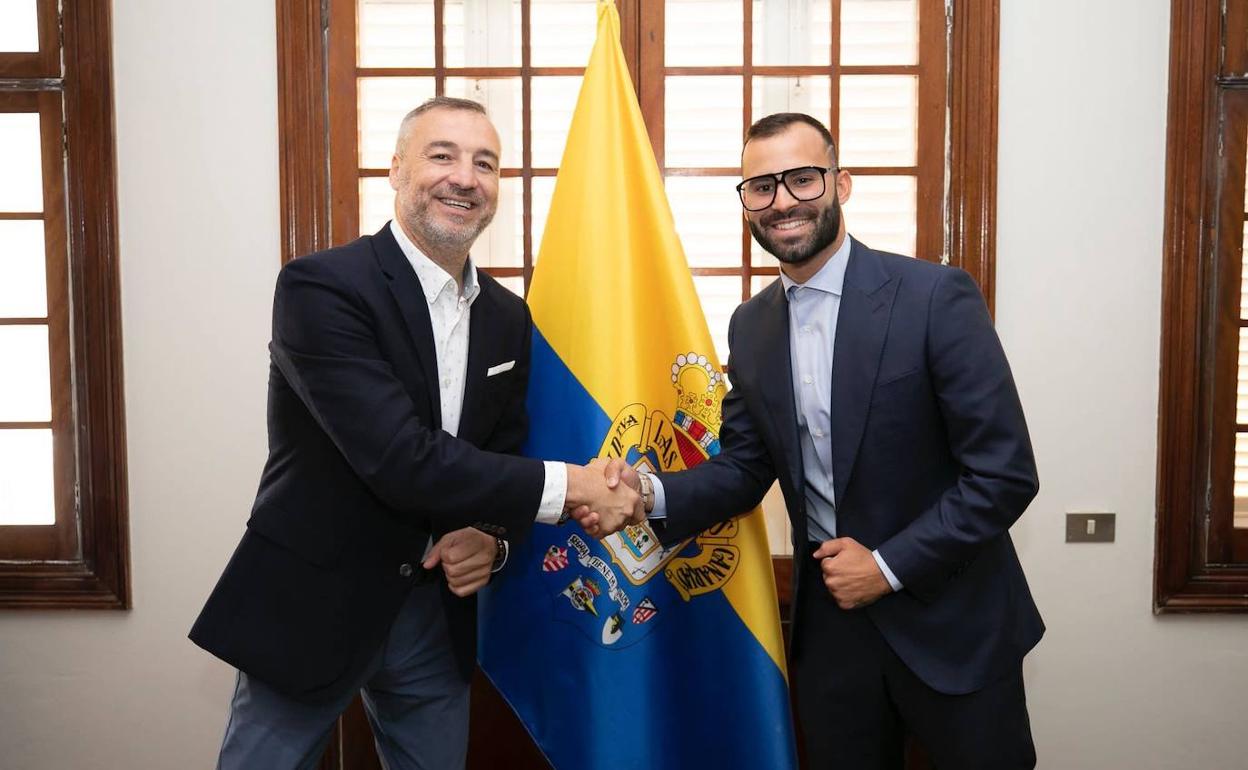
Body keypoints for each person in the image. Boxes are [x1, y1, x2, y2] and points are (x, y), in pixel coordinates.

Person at [582, 112, 1043, 769]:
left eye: (801, 179)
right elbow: (743, 469)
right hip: (833, 640)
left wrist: (884, 568)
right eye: (761, 187)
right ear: (745, 201)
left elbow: (1004, 475)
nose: (783, 203)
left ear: (842, 184)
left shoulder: (934, 297)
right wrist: (644, 494)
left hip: (955, 625)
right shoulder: (752, 326)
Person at [190, 96, 636, 770]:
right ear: (396, 169)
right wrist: (574, 484)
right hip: (313, 604)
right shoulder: (322, 288)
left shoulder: (508, 318)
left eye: (484, 163)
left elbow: (501, 455)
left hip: (436, 613)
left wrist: (492, 538)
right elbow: (399, 458)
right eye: (442, 155)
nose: (465, 177)